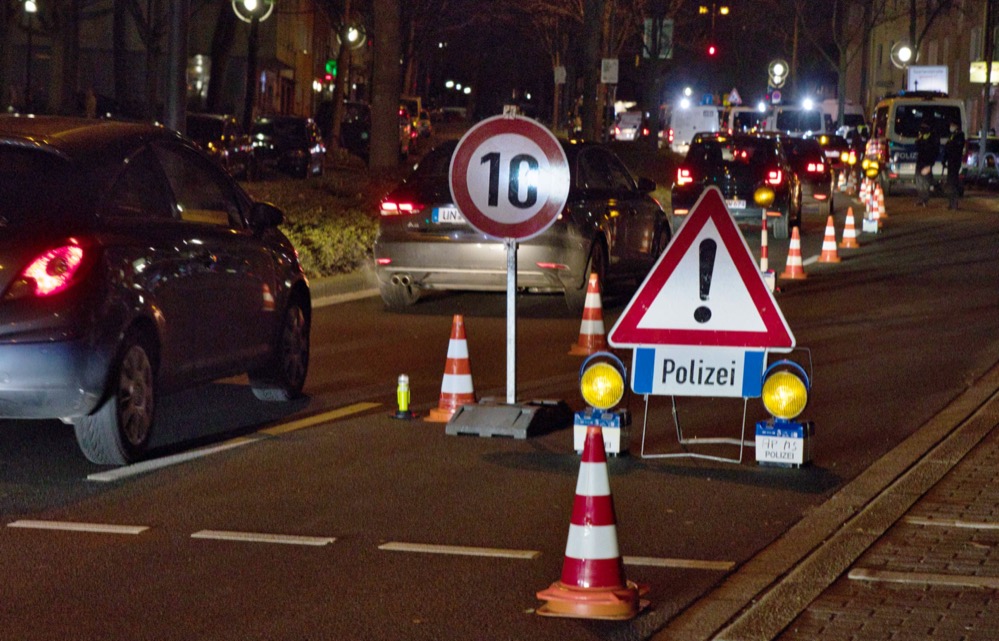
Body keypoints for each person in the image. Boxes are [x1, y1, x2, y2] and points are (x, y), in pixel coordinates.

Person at [914, 121, 939, 206]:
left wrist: (930, 165)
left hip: (927, 163)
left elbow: (935, 152)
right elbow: (918, 148)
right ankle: (921, 198)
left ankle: (925, 200)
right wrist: (918, 140)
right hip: (920, 162)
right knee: (919, 181)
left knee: (925, 182)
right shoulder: (921, 137)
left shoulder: (933, 138)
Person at [943, 121, 966, 210]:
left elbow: (956, 147)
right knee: (950, 183)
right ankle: (951, 203)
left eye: (952, 125)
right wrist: (944, 160)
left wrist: (950, 145)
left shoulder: (960, 135)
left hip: (955, 162)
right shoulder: (952, 135)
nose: (950, 127)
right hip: (950, 162)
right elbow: (947, 148)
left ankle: (954, 204)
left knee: (953, 182)